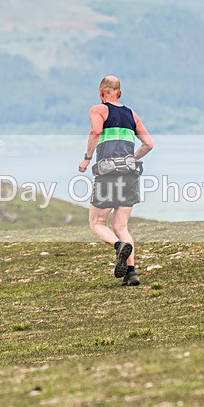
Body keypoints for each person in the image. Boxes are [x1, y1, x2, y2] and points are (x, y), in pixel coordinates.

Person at [78, 76, 154, 286]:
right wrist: (131, 159)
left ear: (102, 93)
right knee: (121, 225)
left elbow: (95, 131)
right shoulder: (132, 115)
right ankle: (131, 273)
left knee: (97, 222)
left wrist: (86, 158)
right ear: (119, 93)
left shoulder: (99, 110)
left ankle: (118, 246)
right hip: (130, 174)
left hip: (108, 173)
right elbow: (148, 144)